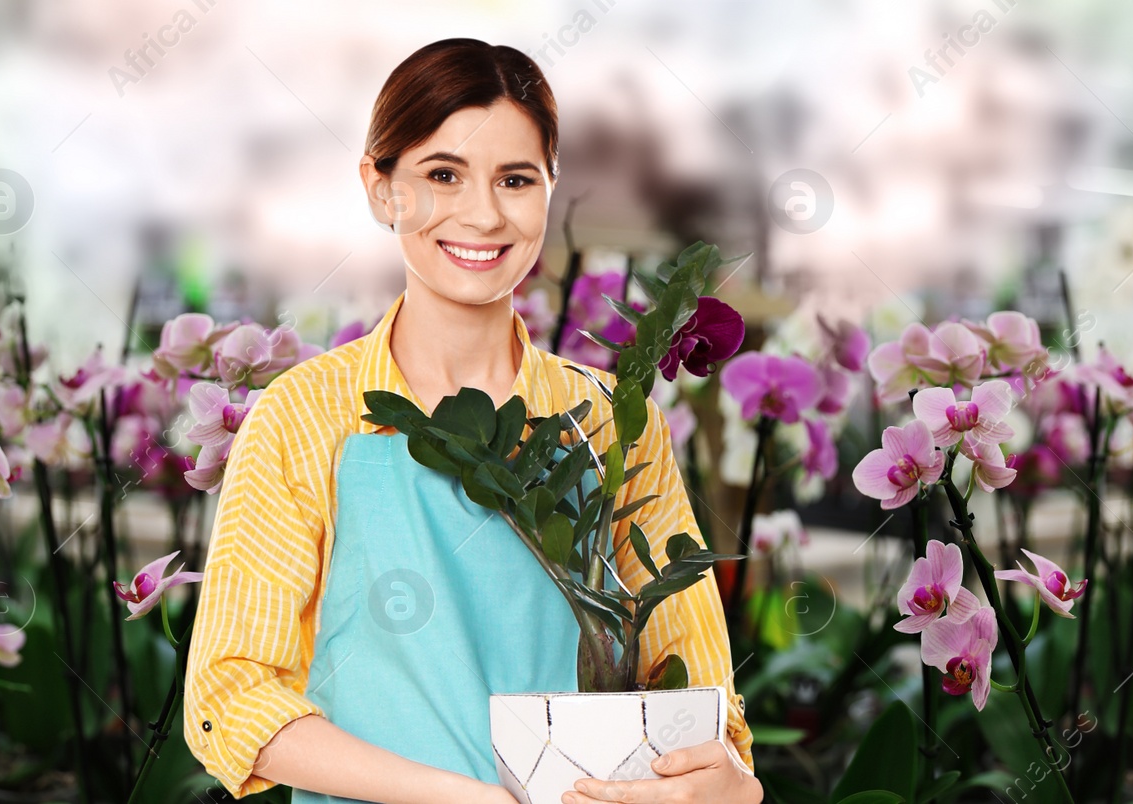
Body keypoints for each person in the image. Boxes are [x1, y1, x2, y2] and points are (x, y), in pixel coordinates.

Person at [182, 38, 759, 804]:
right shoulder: (302, 416)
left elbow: (697, 696)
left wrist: (728, 782)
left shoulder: (613, 423)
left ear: (551, 187)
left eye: (515, 179)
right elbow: (231, 697)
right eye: (442, 175)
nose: (483, 214)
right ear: (381, 188)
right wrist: (474, 798)